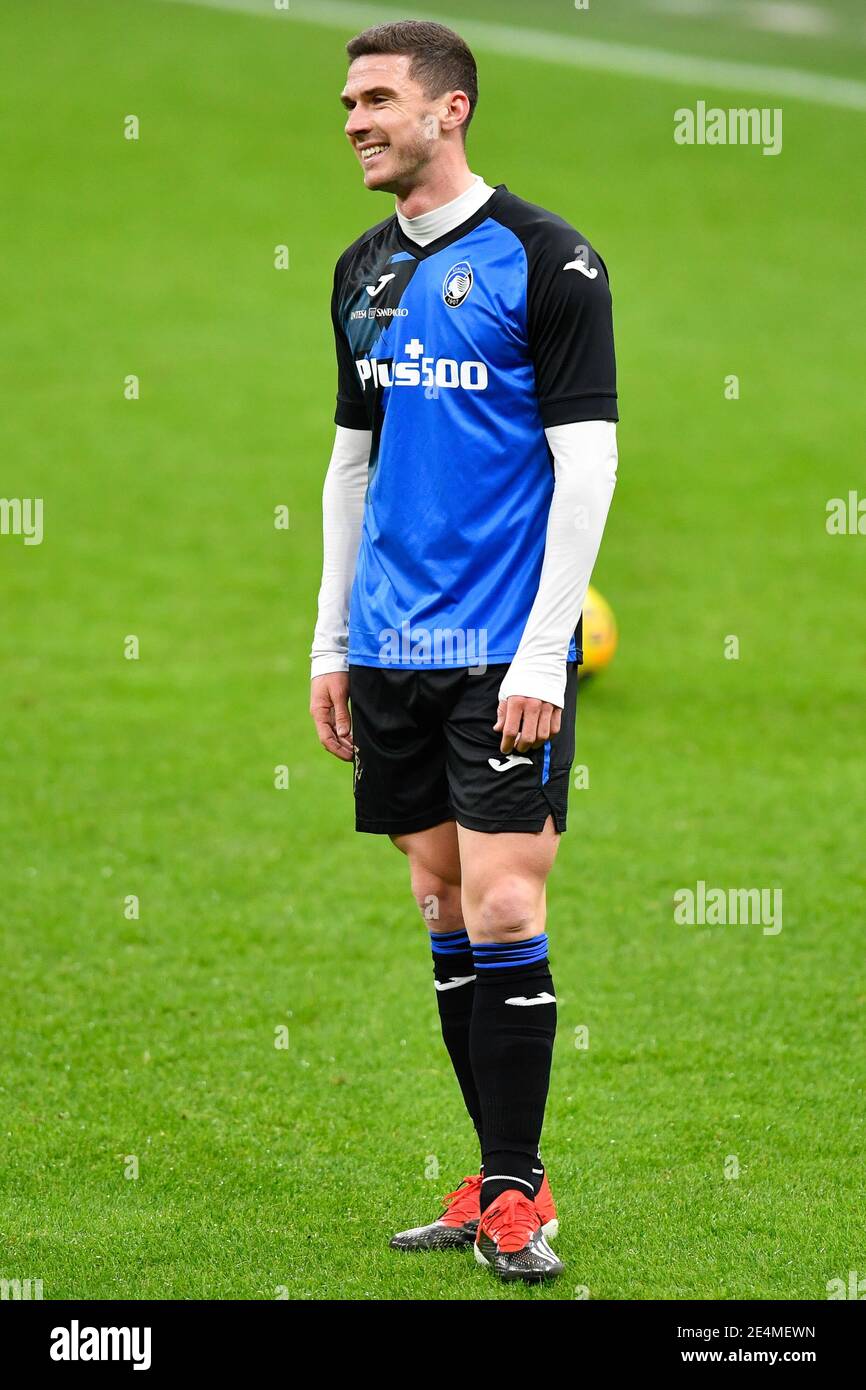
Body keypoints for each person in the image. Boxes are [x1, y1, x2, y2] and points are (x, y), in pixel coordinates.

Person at [309, 18, 618, 1284]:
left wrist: (546, 651)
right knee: (439, 900)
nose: (353, 122)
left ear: (450, 110)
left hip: (501, 651)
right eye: (345, 103)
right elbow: (350, 457)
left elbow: (585, 460)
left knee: (502, 900)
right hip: (389, 644)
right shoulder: (358, 269)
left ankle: (513, 1198)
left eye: (375, 99)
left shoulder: (549, 261)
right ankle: (499, 1177)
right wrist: (330, 634)